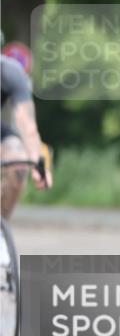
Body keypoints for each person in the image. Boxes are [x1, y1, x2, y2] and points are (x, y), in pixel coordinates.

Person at [1, 33, 52, 220]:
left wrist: (38, 165)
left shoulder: (10, 72)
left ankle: (1, 228)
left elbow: (26, 123)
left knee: (19, 165)